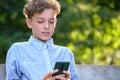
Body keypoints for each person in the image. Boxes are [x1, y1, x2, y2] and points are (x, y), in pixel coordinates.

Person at [6, 0, 80, 80]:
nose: (47, 27)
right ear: (29, 23)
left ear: (55, 22)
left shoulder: (65, 53)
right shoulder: (17, 50)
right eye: (40, 21)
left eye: (51, 22)